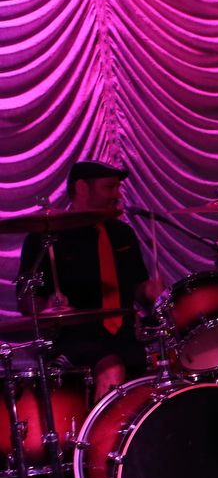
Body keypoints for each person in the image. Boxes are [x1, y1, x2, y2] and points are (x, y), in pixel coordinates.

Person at [16, 162, 164, 401]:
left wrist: (149, 291)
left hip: (126, 338)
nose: (118, 195)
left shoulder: (123, 233)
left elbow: (137, 286)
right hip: (75, 340)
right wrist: (46, 307)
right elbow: (25, 299)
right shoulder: (45, 236)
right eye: (110, 187)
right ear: (83, 188)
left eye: (118, 188)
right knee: (111, 368)